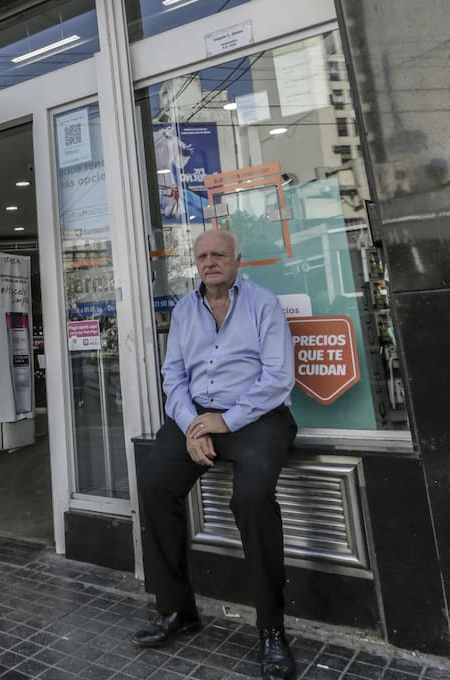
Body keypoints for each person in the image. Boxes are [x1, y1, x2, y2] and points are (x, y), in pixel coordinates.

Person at [132, 230, 298, 680]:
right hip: (198, 417)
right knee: (154, 483)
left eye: (218, 255)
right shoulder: (185, 310)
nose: (210, 262)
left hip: (257, 416)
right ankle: (177, 610)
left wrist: (224, 422)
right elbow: (172, 376)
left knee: (251, 498)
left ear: (236, 259)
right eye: (202, 256)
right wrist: (191, 423)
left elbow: (279, 378)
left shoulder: (263, 304)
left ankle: (271, 630)